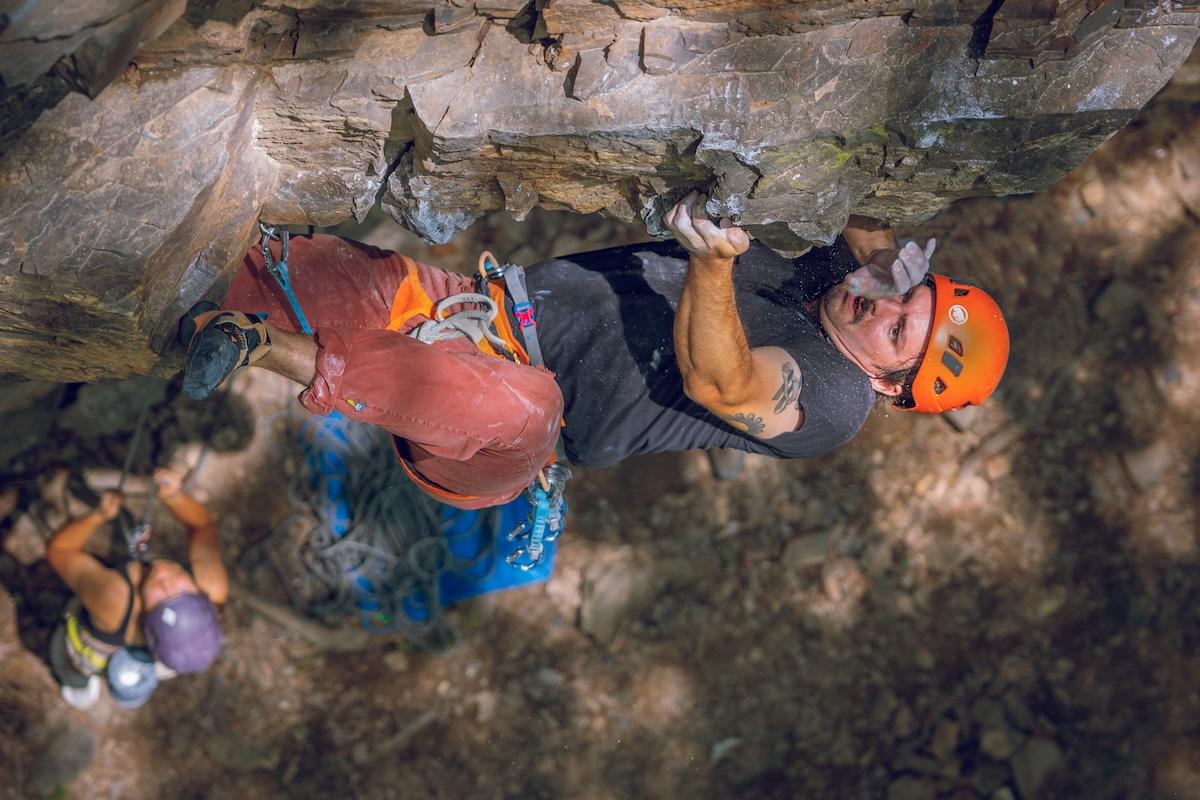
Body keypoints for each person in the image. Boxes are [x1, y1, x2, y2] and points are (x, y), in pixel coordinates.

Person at [179, 193, 1008, 510]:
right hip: (475, 312)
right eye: (906, 293)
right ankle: (222, 322)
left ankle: (266, 348)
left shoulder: (833, 401)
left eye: (899, 328)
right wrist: (887, 258)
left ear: (892, 385)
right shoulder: (842, 288)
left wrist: (713, 265)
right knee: (247, 273)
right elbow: (866, 204)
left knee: (522, 400)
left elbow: (720, 381)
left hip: (517, 432)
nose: (881, 304)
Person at [46, 467, 228, 709]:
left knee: (73, 661)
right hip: (164, 649)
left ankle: (76, 683)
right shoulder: (211, 588)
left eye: (160, 598)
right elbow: (203, 526)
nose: (166, 579)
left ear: (144, 616)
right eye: (183, 590)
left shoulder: (114, 599)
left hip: (95, 643)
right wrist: (175, 497)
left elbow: (60, 551)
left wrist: (98, 515)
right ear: (202, 599)